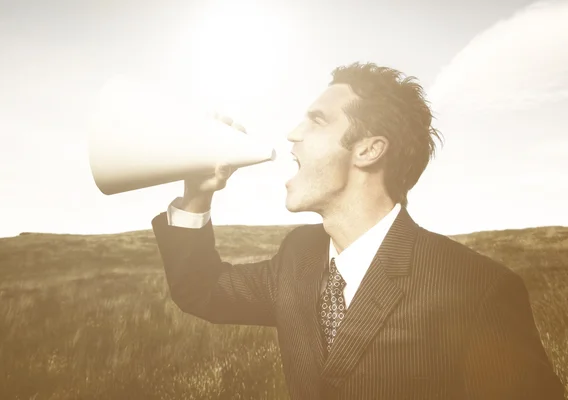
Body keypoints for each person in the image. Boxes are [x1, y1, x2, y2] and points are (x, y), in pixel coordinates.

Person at [151, 62, 565, 400]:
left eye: (316, 119)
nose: (292, 133)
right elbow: (200, 288)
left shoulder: (478, 290)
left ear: (368, 149)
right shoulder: (298, 259)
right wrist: (196, 196)